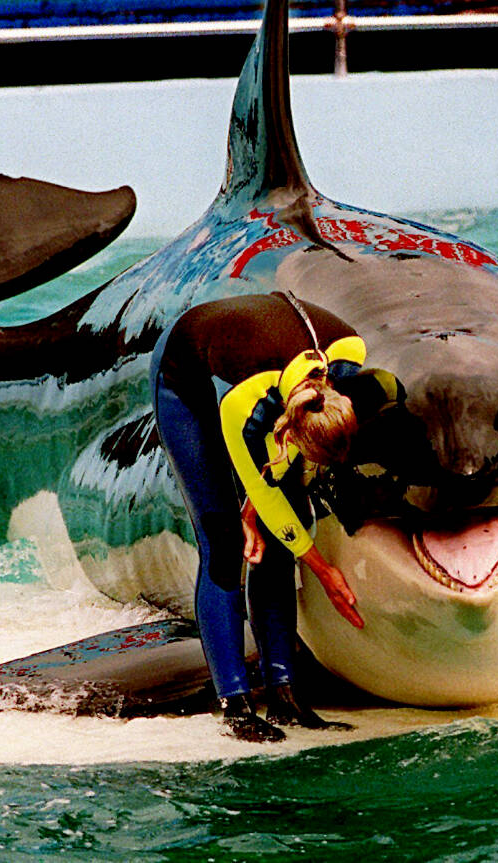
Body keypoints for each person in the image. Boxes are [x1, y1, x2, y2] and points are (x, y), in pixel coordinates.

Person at [150, 291, 371, 742]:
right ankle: (235, 706)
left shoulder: (349, 360)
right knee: (224, 543)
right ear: (289, 430)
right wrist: (324, 570)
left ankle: (285, 695)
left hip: (279, 369)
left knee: (276, 542)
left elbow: (277, 474)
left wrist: (263, 509)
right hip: (182, 374)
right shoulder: (243, 405)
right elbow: (261, 483)